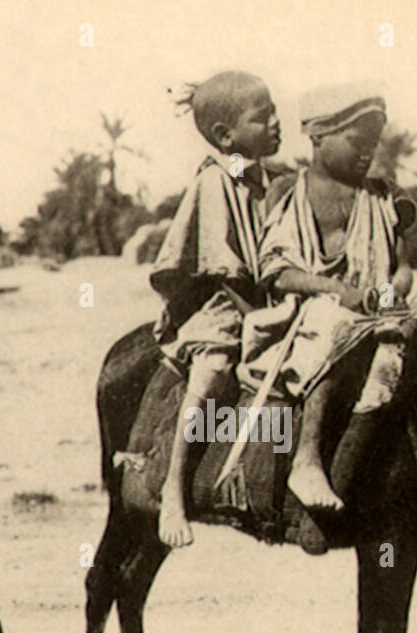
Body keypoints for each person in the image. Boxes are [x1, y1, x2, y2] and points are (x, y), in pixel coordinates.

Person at [239, 83, 417, 514]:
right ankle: (307, 459)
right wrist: (339, 291)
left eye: (373, 144)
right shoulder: (289, 192)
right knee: (333, 319)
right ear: (318, 137)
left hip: (376, 305)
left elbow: (402, 267)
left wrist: (390, 292)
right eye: (357, 142)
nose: (367, 153)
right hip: (313, 312)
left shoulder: (381, 195)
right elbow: (276, 272)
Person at [151, 70, 284, 548]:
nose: (275, 122)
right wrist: (260, 318)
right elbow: (223, 269)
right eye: (262, 116)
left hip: (264, 299)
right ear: (225, 136)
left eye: (274, 111)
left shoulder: (266, 178)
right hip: (224, 307)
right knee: (215, 369)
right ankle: (174, 487)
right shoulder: (215, 181)